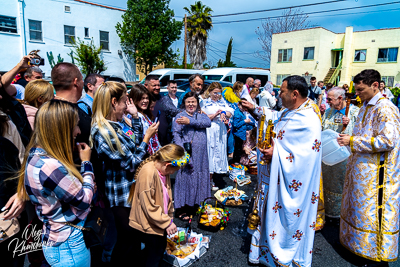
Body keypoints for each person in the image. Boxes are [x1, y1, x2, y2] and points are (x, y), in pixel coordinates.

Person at [245, 75, 322, 266]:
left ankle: (286, 254)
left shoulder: (309, 119)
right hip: (275, 177)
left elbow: (306, 158)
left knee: (286, 222)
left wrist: (276, 153)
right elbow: (276, 117)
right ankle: (267, 252)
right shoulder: (291, 110)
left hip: (292, 184)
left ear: (294, 94)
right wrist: (254, 108)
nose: (278, 95)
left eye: (282, 92)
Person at [17, 100, 95, 267]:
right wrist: (87, 165)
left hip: (58, 240)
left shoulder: (36, 154)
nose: (78, 131)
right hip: (68, 244)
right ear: (61, 129)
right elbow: (83, 201)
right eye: (75, 126)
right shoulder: (50, 165)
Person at [90, 81, 158, 265]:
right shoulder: (102, 130)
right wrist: (147, 138)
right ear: (113, 102)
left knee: (133, 241)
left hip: (131, 190)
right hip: (121, 196)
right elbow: (131, 162)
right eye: (124, 101)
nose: (126, 106)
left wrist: (135, 118)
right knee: (127, 240)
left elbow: (133, 142)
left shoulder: (117, 123)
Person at [337, 69, 400, 266]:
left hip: (378, 176)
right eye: (356, 90)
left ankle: (376, 255)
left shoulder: (385, 108)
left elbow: (388, 140)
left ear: (375, 86)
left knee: (373, 215)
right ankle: (359, 247)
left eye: (361, 89)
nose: (358, 94)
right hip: (362, 171)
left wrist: (353, 141)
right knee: (360, 212)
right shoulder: (365, 106)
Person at [129, 144, 188, 266]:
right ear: (167, 165)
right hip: (149, 225)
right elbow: (149, 206)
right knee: (154, 255)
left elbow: (167, 196)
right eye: (175, 171)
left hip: (158, 221)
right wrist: (166, 222)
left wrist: (169, 216)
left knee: (157, 251)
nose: (174, 173)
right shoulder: (148, 172)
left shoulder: (163, 172)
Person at [321, 87, 359, 221]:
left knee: (341, 185)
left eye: (330, 99)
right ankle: (329, 213)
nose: (328, 101)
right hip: (328, 156)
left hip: (344, 158)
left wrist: (349, 125)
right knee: (328, 183)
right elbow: (323, 129)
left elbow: (359, 135)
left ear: (340, 98)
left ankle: (341, 215)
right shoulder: (328, 112)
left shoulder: (355, 112)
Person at [172, 92, 211, 220]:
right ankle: (181, 208)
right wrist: (182, 151)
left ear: (197, 103)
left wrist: (190, 121)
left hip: (202, 156)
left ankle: (195, 204)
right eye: (188, 102)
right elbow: (176, 134)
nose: (191, 104)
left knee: (199, 178)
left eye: (193, 102)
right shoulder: (179, 116)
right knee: (186, 179)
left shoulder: (201, 115)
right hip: (187, 153)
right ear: (184, 103)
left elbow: (207, 123)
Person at [200, 82, 234, 191]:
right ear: (209, 92)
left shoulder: (222, 102)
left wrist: (224, 112)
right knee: (209, 153)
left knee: (217, 153)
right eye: (215, 93)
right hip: (209, 129)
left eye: (219, 93)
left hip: (220, 130)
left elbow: (231, 112)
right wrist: (215, 115)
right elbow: (202, 117)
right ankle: (207, 180)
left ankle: (213, 178)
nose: (217, 95)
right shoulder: (204, 103)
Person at [129, 84, 161, 155]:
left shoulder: (145, 114)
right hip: (143, 153)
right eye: (142, 98)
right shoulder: (134, 116)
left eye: (147, 98)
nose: (145, 101)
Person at [152, 80, 180, 146]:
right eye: (172, 87)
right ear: (168, 88)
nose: (174, 89)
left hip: (179, 129)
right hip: (169, 130)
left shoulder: (180, 99)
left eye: (175, 87)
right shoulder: (164, 100)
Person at [232, 99, 256, 164]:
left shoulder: (242, 112)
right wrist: (245, 121)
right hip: (238, 134)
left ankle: (237, 161)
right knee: (237, 149)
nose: (244, 108)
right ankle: (236, 162)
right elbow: (235, 124)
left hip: (242, 134)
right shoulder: (237, 113)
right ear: (239, 105)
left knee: (239, 149)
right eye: (243, 106)